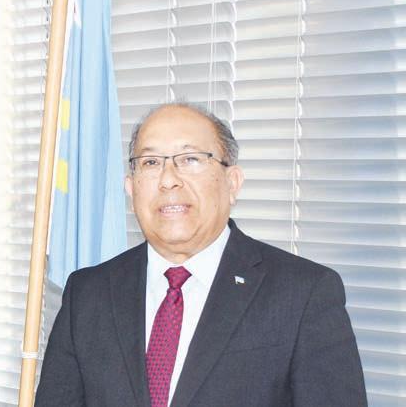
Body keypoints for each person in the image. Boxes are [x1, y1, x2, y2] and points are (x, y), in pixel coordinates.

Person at [35, 103, 366, 406]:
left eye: (190, 159)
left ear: (232, 183)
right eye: (150, 163)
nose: (168, 180)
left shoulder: (303, 294)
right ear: (131, 189)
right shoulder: (88, 293)